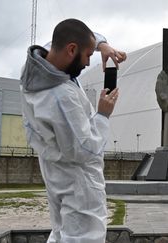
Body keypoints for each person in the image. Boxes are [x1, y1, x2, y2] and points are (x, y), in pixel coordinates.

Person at [20, 18, 126, 243]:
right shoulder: (61, 96)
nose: (88, 63)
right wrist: (103, 115)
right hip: (77, 180)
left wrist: (102, 46)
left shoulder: (38, 68)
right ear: (71, 50)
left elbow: (72, 35)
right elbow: (85, 150)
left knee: (60, 232)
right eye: (88, 55)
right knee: (83, 236)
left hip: (54, 169)